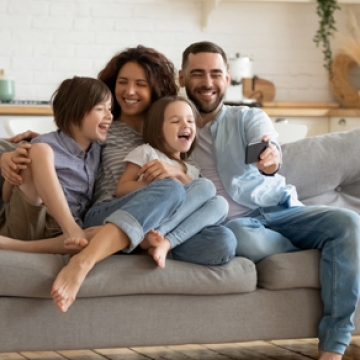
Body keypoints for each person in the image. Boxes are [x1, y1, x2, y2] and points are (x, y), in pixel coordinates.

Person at [0, 45, 237, 313]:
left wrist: (178, 172)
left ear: (156, 89)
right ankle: (86, 259)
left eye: (140, 84)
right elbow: (66, 137)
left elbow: (196, 190)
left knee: (223, 242)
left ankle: (146, 240)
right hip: (108, 212)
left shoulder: (167, 132)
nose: (129, 91)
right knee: (168, 189)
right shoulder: (106, 129)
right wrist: (9, 156)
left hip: (158, 223)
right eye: (122, 83)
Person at [174, 40, 360, 360]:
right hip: (236, 224)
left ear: (227, 76)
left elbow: (268, 148)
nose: (207, 82)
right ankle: (318, 247)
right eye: (198, 73)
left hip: (281, 210)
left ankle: (334, 345)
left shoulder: (246, 117)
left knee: (348, 221)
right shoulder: (174, 125)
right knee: (241, 236)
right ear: (182, 77)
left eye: (216, 74)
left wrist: (270, 160)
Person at [116, 95, 229, 268]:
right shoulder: (147, 152)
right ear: (158, 130)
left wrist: (178, 173)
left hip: (175, 227)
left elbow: (200, 199)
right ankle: (154, 236)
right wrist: (154, 186)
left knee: (220, 202)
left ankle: (165, 242)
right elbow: (121, 189)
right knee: (205, 186)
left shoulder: (192, 169)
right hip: (151, 217)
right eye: (176, 121)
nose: (185, 125)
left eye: (190, 121)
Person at [0, 76, 112, 243]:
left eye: (110, 109)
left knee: (108, 233)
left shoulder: (98, 150)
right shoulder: (42, 146)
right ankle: (70, 228)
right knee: (40, 151)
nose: (109, 116)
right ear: (75, 112)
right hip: (30, 222)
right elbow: (7, 196)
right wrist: (15, 170)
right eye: (100, 109)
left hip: (60, 233)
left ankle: (16, 246)